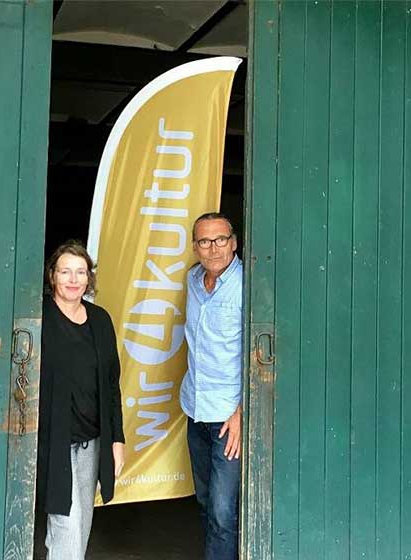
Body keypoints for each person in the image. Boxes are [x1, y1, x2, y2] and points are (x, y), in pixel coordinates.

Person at [36, 241, 125, 560]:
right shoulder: (39, 317)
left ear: (89, 278)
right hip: (54, 440)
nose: (73, 280)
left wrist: (117, 439)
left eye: (81, 272)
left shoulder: (100, 320)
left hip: (93, 441)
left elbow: (112, 385)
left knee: (81, 521)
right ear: (52, 276)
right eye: (65, 272)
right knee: (67, 521)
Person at [180, 212, 244, 560]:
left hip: (228, 418)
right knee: (205, 501)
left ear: (234, 243)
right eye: (205, 241)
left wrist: (242, 412)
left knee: (222, 510)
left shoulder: (248, 285)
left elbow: (261, 351)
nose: (214, 248)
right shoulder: (193, 280)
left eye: (221, 240)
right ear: (195, 247)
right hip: (195, 409)